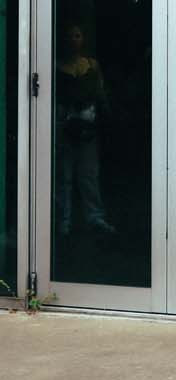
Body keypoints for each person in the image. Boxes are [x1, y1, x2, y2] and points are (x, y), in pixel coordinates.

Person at [54, 20, 114, 239]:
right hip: (64, 125)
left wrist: (105, 115)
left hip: (88, 125)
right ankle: (63, 219)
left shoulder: (92, 66)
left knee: (89, 175)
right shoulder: (56, 66)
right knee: (63, 175)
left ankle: (95, 217)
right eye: (69, 36)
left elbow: (100, 93)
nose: (73, 40)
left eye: (77, 35)